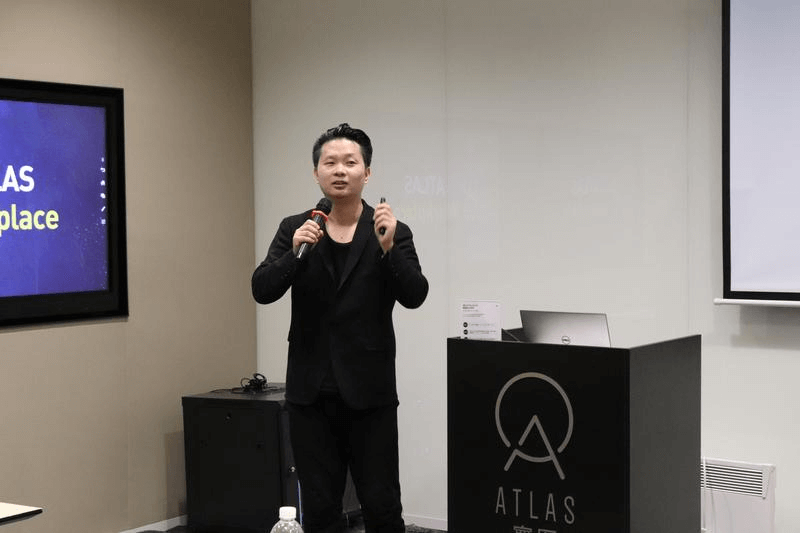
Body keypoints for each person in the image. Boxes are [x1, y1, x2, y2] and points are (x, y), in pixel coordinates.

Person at [252, 123, 428, 533]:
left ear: (367, 173)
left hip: (370, 394)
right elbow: (262, 289)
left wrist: (388, 249)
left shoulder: (390, 230)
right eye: (330, 162)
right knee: (320, 508)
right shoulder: (296, 227)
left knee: (382, 505)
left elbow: (415, 294)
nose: (340, 170)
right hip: (310, 394)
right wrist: (294, 254)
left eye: (350, 162)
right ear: (316, 172)